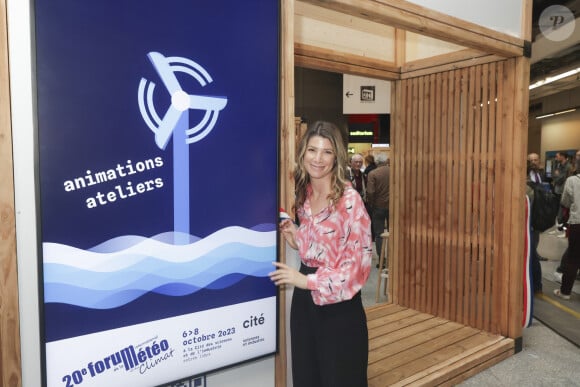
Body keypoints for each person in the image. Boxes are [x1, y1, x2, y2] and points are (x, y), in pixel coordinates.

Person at [269, 120, 372, 387]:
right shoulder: (304, 196)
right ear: (303, 153)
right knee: (306, 376)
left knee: (340, 379)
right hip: (305, 306)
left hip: (340, 310)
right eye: (312, 150)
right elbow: (324, 250)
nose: (318, 159)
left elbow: (357, 270)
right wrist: (297, 237)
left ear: (336, 157)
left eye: (326, 151)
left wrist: (306, 281)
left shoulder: (349, 202)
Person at [554, 155, 580, 300]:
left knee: (573, 259)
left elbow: (565, 201)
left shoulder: (572, 181)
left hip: (577, 223)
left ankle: (565, 292)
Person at [366, 153, 390, 267]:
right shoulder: (394, 171)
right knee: (393, 233)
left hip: (378, 207)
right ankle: (393, 258)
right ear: (387, 161)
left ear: (376, 162)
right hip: (392, 207)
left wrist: (371, 204)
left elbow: (370, 192)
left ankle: (382, 261)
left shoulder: (373, 174)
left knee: (379, 234)